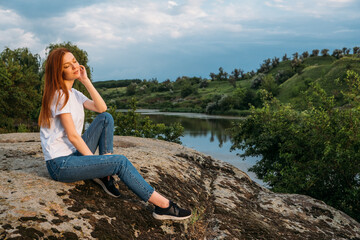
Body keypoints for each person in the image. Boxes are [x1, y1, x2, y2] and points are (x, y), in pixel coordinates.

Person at [38, 47, 191, 221]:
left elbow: (101, 108)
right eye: (67, 65)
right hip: (60, 164)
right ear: (59, 72)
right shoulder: (59, 95)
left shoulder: (74, 93)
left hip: (74, 154)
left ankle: (106, 177)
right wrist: (98, 163)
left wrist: (86, 80)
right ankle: (163, 206)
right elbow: (73, 136)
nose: (74, 66)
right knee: (120, 161)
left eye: (74, 61)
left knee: (106, 118)